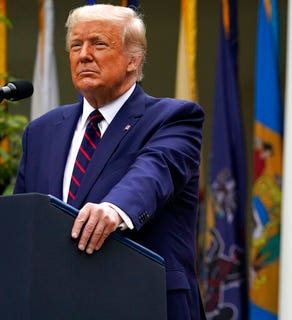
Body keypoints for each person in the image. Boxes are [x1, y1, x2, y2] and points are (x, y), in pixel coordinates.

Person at [14, 4, 204, 319]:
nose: (84, 55)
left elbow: (153, 173)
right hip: (55, 305)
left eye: (98, 44)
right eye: (76, 45)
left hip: (143, 302)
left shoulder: (173, 118)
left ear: (134, 59)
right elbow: (23, 220)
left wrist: (114, 210)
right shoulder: (41, 131)